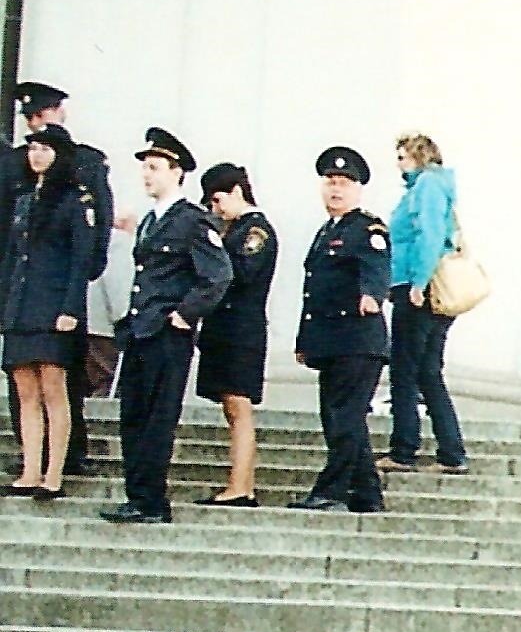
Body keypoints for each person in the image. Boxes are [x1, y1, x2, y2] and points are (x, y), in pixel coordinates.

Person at [101, 129, 231, 527]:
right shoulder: (151, 222)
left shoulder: (191, 220)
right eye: (145, 166)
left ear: (177, 173)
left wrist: (185, 314)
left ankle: (151, 500)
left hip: (167, 334)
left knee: (157, 417)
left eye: (155, 167)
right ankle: (137, 495)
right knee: (134, 415)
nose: (146, 174)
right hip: (141, 331)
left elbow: (218, 274)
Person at [4, 82, 112, 475]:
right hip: (21, 291)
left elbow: (93, 231)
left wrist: (80, 282)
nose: (37, 145)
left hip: (57, 293)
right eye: (33, 125)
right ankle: (31, 463)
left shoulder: (84, 163)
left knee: (60, 382)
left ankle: (65, 458)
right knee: (24, 389)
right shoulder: (13, 169)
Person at [290, 148, 394, 515]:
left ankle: (331, 490)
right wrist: (305, 342)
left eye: (344, 183)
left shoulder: (367, 228)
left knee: (344, 418)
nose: (336, 189)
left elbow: (377, 263)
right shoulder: (326, 233)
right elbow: (313, 290)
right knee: (339, 417)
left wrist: (373, 294)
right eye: (331, 182)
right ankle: (367, 495)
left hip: (358, 339)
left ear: (358, 189)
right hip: (331, 341)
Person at [1, 127, 93, 502]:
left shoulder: (74, 200)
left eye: (45, 148)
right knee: (25, 391)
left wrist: (71, 307)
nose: (37, 155)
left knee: (54, 389)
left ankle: (53, 472)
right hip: (22, 305)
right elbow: (12, 258)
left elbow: (80, 259)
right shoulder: (24, 199)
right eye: (33, 148)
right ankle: (30, 470)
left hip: (54, 306)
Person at [380, 132, 467, 474]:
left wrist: (417, 282)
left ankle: (404, 448)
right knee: (429, 371)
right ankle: (451, 450)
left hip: (418, 287)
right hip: (427, 286)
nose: (398, 164)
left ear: (418, 156)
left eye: (402, 157)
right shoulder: (433, 186)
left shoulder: (426, 187)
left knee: (404, 368)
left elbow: (428, 235)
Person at [194, 164, 277, 503]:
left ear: (237, 192)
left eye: (218, 200)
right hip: (223, 328)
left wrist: (214, 245)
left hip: (241, 330)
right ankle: (237, 483)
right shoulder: (234, 229)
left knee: (238, 406)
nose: (215, 209)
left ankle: (241, 486)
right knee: (230, 406)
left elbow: (240, 273)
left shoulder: (255, 230)